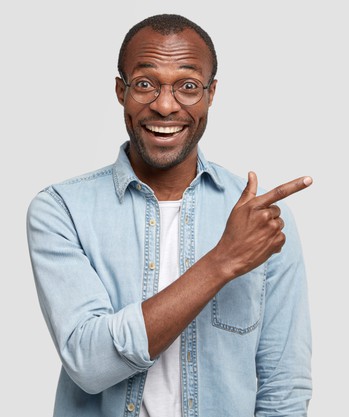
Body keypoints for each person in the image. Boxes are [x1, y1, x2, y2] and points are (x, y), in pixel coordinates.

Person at [26, 13, 313, 417]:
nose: (164, 105)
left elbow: (284, 385)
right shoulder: (61, 210)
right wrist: (222, 261)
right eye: (144, 84)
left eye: (188, 87)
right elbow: (88, 362)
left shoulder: (261, 221)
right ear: (119, 91)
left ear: (211, 94)